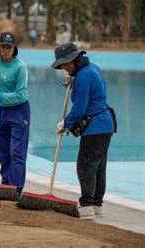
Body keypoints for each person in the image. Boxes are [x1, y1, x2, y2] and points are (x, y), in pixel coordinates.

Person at [51, 43, 116, 219]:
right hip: (106, 124)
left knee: (86, 166)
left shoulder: (82, 77)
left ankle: (87, 206)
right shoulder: (91, 68)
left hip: (95, 127)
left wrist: (66, 122)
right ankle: (96, 205)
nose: (64, 68)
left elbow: (80, 109)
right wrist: (72, 82)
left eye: (66, 64)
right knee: (98, 167)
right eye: (62, 65)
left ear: (74, 59)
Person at [0, 32, 30, 198]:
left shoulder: (20, 67)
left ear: (14, 48)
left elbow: (21, 95)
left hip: (19, 111)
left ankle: (16, 190)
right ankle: (6, 185)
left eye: (9, 47)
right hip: (0, 111)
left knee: (17, 152)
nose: (5, 50)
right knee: (3, 151)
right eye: (2, 46)